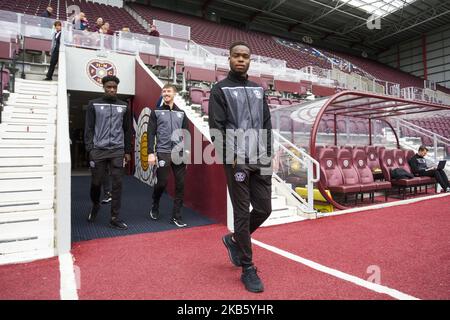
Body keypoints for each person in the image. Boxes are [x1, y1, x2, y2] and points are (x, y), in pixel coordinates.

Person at [208, 41, 273, 293]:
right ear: (229, 58)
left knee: (264, 208)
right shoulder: (220, 89)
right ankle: (247, 267)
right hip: (237, 160)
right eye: (236, 55)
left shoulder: (259, 90)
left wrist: (269, 154)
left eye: (245, 56)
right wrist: (230, 156)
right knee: (242, 213)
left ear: (250, 60)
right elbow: (217, 127)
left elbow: (267, 124)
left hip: (260, 158)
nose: (241, 60)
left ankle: (234, 239)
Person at [84, 75, 131, 230]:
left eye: (114, 87)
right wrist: (90, 148)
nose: (112, 89)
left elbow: (127, 129)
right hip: (98, 150)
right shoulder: (93, 104)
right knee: (96, 184)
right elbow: (89, 128)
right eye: (109, 87)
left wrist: (127, 151)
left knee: (117, 185)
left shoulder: (124, 106)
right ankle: (96, 204)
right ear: (103, 87)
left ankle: (114, 218)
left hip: (117, 150)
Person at [147, 84, 190, 228]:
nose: (166, 93)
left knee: (181, 185)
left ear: (174, 94)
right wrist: (150, 153)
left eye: (169, 91)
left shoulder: (182, 113)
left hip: (179, 153)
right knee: (162, 183)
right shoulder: (156, 112)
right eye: (164, 91)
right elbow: (151, 133)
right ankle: (155, 203)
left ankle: (176, 216)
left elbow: (186, 134)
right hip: (163, 152)